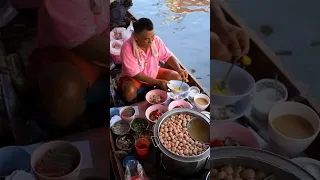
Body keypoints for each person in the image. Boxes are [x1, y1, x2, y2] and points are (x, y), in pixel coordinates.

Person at [26, 0, 110, 129]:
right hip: (66, 51)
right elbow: (85, 44)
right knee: (62, 95)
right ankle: (71, 136)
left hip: (109, 41)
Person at [119, 18, 188, 103]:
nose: (151, 41)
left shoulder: (156, 40)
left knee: (177, 77)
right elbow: (136, 74)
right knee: (129, 92)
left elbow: (168, 56)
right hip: (134, 77)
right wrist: (158, 82)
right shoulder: (127, 48)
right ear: (136, 38)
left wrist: (179, 69)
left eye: (152, 36)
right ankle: (136, 105)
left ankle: (159, 96)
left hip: (153, 72)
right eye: (146, 39)